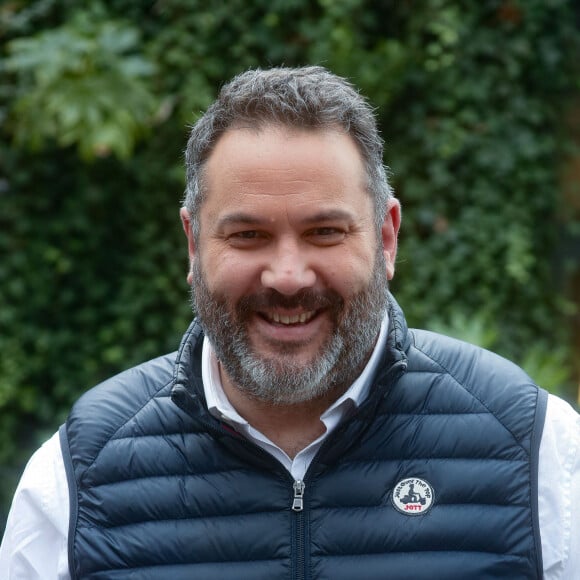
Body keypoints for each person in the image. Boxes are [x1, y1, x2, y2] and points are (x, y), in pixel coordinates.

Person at [1, 66, 578, 580]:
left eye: (324, 232)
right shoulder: (78, 474)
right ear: (193, 245)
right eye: (247, 235)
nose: (287, 276)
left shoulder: (537, 450)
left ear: (386, 238)